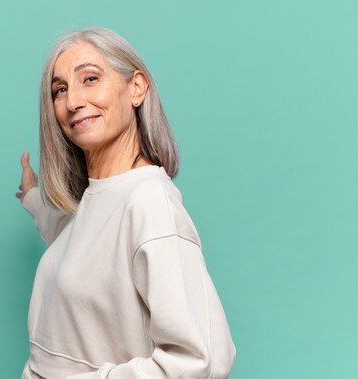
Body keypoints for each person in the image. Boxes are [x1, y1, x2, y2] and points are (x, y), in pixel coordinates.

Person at [15, 26, 236, 379]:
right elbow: (79, 240)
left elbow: (201, 359)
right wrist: (32, 197)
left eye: (90, 78)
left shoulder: (149, 203)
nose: (72, 101)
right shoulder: (96, 198)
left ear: (136, 88)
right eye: (60, 89)